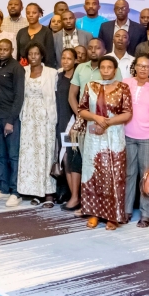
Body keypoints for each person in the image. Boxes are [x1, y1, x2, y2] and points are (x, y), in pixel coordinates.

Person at [77, 56, 133, 229]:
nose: (106, 70)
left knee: (114, 175)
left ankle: (113, 216)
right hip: (94, 136)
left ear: (115, 70)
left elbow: (128, 113)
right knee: (93, 173)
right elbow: (82, 110)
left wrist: (107, 122)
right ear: (99, 69)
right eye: (103, 67)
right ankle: (94, 212)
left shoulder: (123, 88)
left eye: (110, 67)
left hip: (114, 136)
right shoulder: (90, 86)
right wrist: (95, 117)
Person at [123, 54, 149, 227]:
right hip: (126, 135)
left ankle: (147, 214)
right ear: (135, 67)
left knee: (147, 176)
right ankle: (126, 210)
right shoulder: (125, 83)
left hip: (148, 137)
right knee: (128, 174)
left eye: (147, 66)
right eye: (140, 65)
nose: (143, 69)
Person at [18, 43, 60, 206]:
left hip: (45, 117)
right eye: (30, 54)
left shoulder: (52, 73)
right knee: (31, 155)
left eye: (36, 54)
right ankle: (36, 192)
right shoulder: (24, 71)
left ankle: (49, 193)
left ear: (42, 55)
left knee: (46, 153)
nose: (33, 56)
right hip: (28, 117)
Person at [0, 39, 24, 207]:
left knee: (13, 156)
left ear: (12, 50)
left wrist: (11, 121)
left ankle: (15, 191)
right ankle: (2, 189)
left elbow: (19, 96)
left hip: (9, 119)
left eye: (6, 49)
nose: (2, 52)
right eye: (0, 49)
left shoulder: (17, 68)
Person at [57, 47, 82, 211]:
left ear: (75, 61)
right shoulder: (58, 77)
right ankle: (74, 196)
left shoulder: (78, 77)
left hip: (72, 124)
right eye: (63, 58)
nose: (65, 61)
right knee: (64, 159)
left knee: (71, 158)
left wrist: (77, 122)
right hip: (60, 121)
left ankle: (76, 197)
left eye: (69, 58)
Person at [15, 3, 56, 68]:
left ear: (39, 14)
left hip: (42, 70)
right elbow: (17, 55)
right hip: (23, 69)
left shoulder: (46, 32)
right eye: (28, 13)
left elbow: (50, 56)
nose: (31, 15)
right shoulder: (21, 32)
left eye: (34, 13)